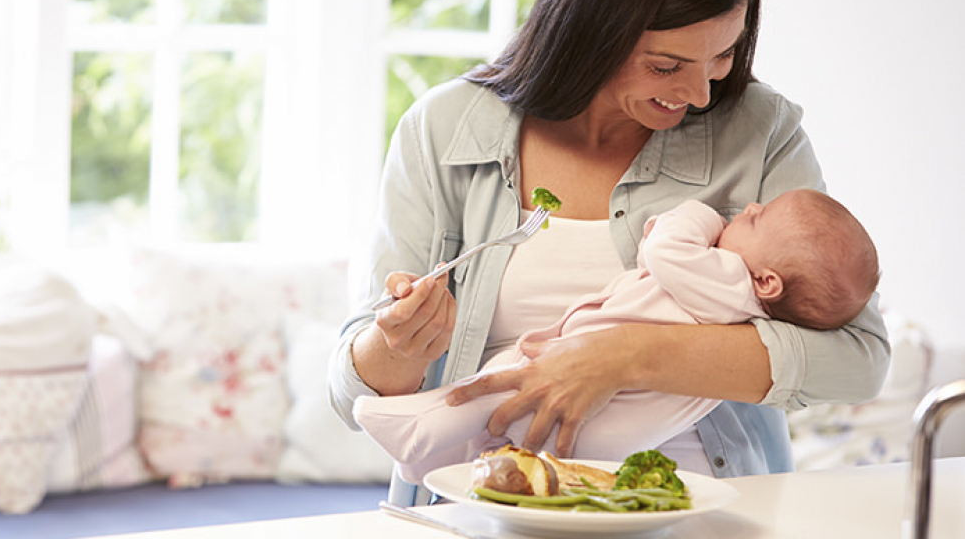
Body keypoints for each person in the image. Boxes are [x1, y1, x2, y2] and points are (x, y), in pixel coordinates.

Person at [328, 0, 890, 507]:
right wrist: (399, 346)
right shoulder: (445, 129)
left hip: (699, 508)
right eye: (665, 65)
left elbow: (858, 358)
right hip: (488, 505)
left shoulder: (759, 132)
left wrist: (625, 355)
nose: (701, 93)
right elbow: (351, 395)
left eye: (723, 55)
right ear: (589, 32)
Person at [352, 190, 880, 484]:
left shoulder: (729, 278)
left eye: (756, 218)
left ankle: (412, 429)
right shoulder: (751, 306)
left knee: (495, 387)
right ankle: (431, 461)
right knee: (499, 433)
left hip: (598, 388)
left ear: (767, 281)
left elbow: (667, 250)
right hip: (626, 431)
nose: (743, 210)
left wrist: (695, 213)